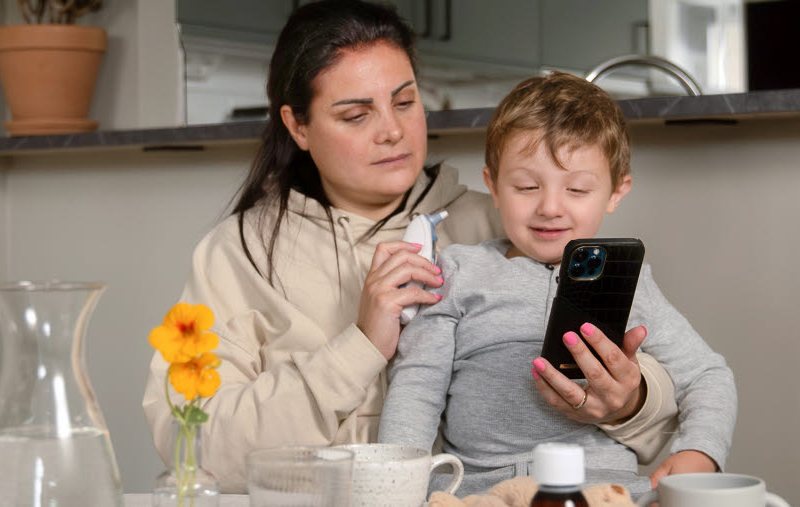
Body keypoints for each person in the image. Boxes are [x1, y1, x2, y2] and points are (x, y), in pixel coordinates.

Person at [143, 0, 679, 493]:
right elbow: (193, 449)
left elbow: (667, 413)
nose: (393, 131)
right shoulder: (238, 254)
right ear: (297, 125)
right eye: (356, 115)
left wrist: (629, 401)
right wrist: (359, 347)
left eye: (405, 101)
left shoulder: (513, 225)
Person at [378, 71, 737, 498]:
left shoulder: (631, 283)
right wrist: (395, 489)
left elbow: (708, 374)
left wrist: (700, 451)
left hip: (608, 490)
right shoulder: (457, 273)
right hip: (484, 489)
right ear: (492, 185)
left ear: (616, 192)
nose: (550, 207)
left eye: (578, 189)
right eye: (527, 186)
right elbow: (415, 391)